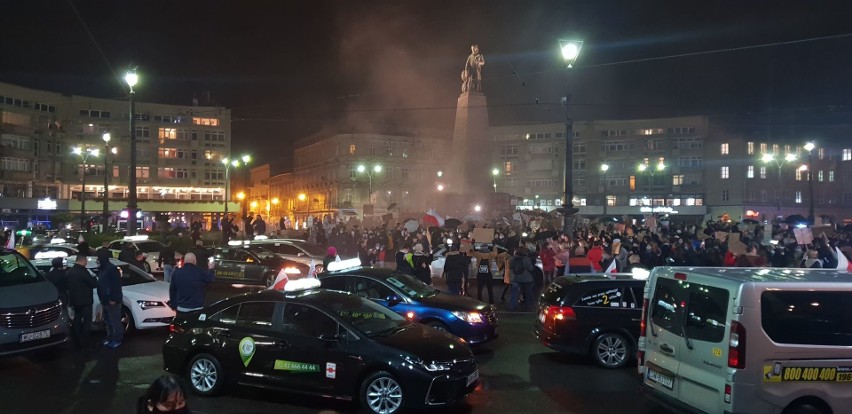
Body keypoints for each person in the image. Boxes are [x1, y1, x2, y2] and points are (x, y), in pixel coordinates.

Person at [65, 254, 98, 349]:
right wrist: (94, 278)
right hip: (85, 301)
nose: (86, 263)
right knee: (87, 322)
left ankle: (76, 339)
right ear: (82, 261)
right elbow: (93, 284)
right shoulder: (83, 272)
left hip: (75, 300)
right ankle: (86, 341)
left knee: (77, 319)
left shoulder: (69, 272)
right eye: (86, 261)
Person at [96, 249, 123, 348]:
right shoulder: (104, 269)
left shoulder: (111, 269)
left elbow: (116, 285)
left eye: (98, 259)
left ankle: (117, 339)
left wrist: (114, 299)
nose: (96, 261)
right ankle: (110, 337)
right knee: (108, 321)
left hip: (111, 301)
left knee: (115, 321)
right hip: (105, 301)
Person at [509, 247, 535, 311]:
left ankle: (512, 306)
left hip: (515, 278)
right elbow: (530, 268)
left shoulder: (513, 259)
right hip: (526, 278)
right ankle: (528, 306)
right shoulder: (526, 259)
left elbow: (510, 267)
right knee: (527, 292)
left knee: (514, 293)